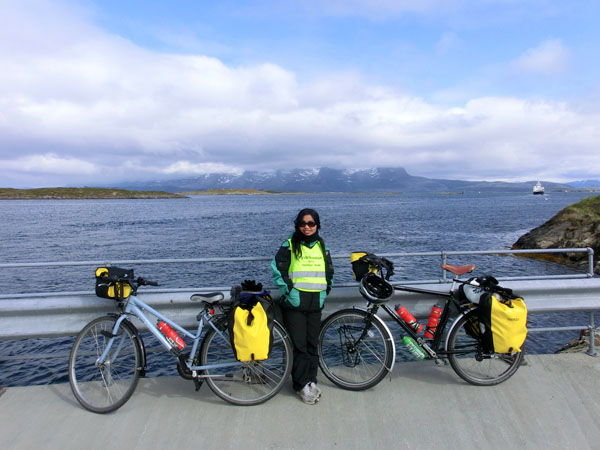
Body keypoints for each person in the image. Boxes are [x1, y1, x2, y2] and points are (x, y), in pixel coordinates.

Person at [271, 208, 334, 404]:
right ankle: (300, 385)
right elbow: (278, 269)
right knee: (299, 346)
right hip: (295, 305)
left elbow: (329, 271)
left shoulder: (321, 246)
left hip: (316, 303)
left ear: (317, 225)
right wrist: (289, 293)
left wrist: (325, 292)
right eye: (303, 223)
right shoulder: (289, 244)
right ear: (297, 224)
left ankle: (311, 381)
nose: (307, 227)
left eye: (311, 223)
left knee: (312, 344)